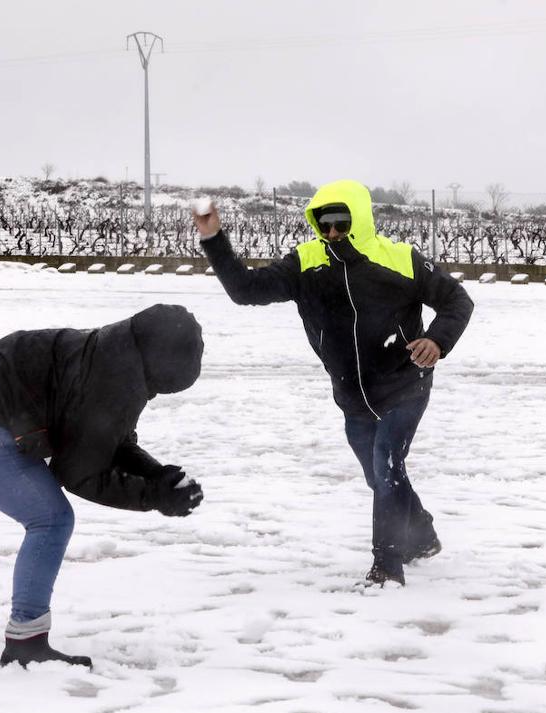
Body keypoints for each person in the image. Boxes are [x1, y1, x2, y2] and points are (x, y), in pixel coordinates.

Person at [194, 180, 474, 586]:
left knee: (387, 465)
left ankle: (387, 568)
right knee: (378, 476)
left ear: (358, 219)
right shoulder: (306, 263)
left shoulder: (399, 259)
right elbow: (245, 290)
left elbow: (457, 300)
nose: (331, 233)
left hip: (404, 383)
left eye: (341, 223)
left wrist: (436, 339)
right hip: (351, 393)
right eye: (323, 224)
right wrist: (213, 238)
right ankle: (423, 536)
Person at [0, 304, 206, 667]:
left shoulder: (107, 350)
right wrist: (155, 496)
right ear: (163, 366)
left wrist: (159, 476)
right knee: (51, 520)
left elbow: (109, 442)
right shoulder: (115, 378)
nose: (153, 393)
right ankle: (26, 641)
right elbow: (80, 473)